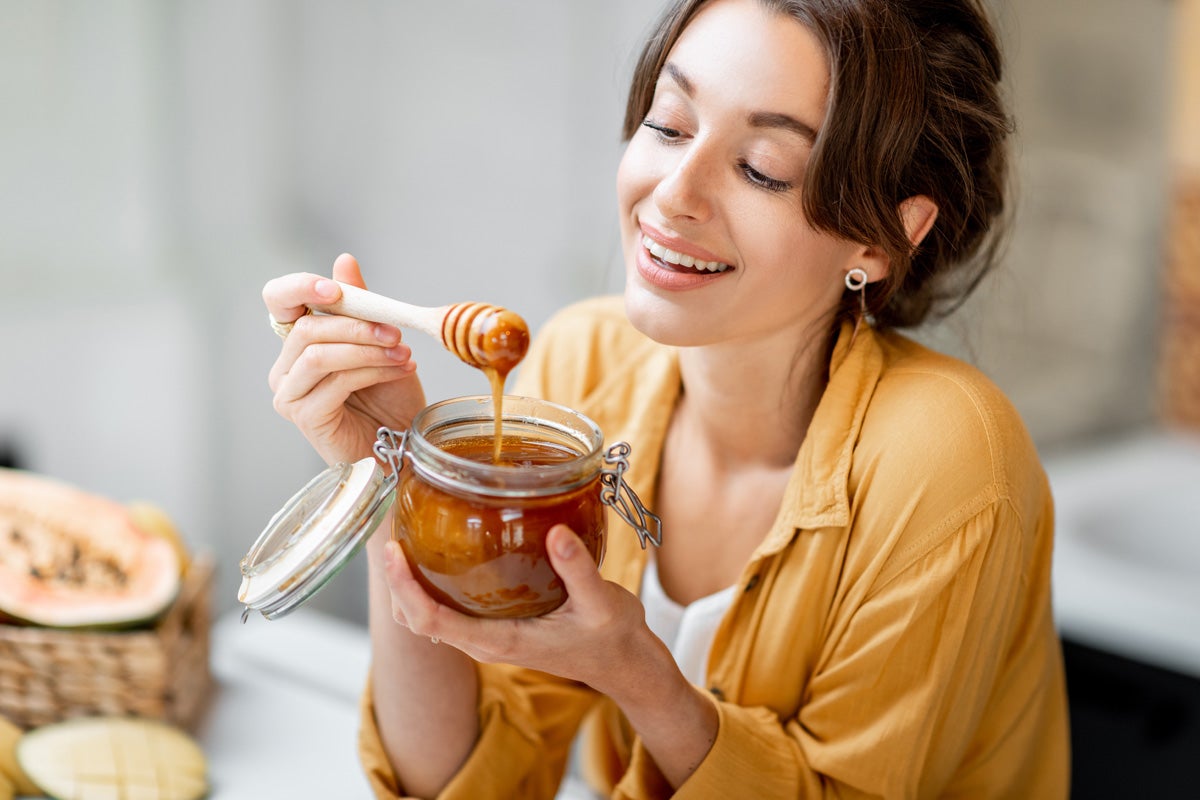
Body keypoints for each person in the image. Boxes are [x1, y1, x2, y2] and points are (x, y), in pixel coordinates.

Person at [262, 0, 1070, 796]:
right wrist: (395, 475)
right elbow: (470, 777)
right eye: (670, 125)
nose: (675, 192)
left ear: (881, 238)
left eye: (764, 169)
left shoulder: (950, 462)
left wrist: (642, 677)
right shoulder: (583, 367)